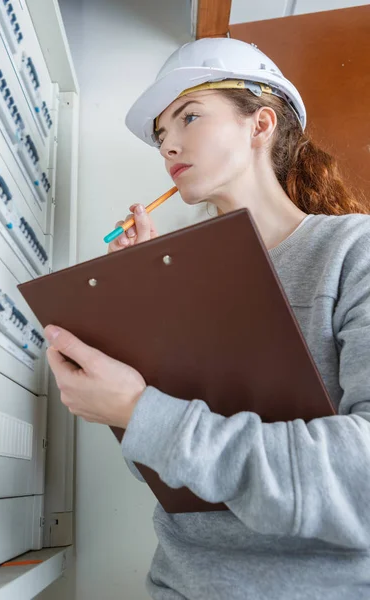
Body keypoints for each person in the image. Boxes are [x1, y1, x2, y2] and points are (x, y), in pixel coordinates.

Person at [45, 38, 370, 599]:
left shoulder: (352, 252)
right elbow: (175, 479)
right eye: (161, 134)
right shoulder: (176, 277)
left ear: (260, 124)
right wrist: (139, 321)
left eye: (188, 116)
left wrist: (139, 410)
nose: (169, 142)